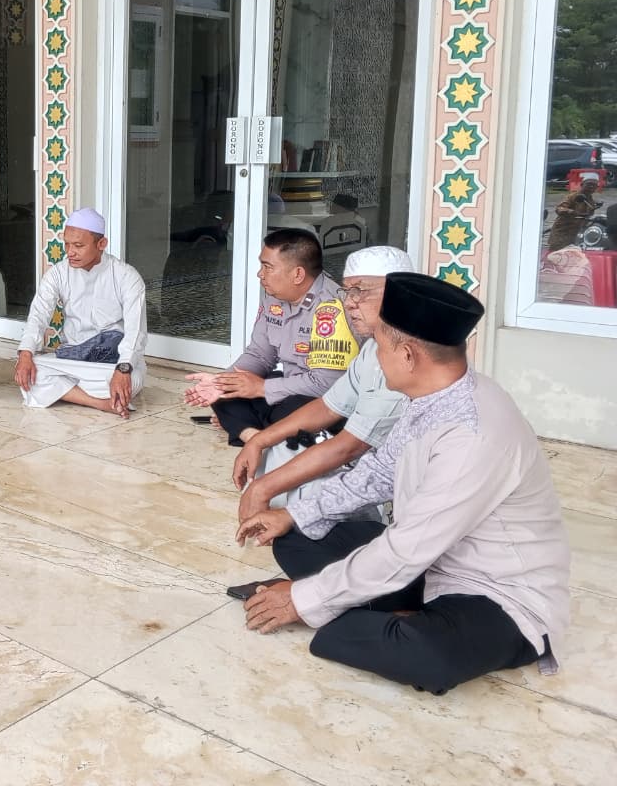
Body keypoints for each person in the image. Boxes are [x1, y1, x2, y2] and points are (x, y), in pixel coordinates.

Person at [236, 273, 570, 695]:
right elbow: (377, 473)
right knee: (295, 537)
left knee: (404, 651)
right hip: (432, 564)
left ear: (408, 355)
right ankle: (376, 606)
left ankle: (376, 613)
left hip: (496, 592)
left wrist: (301, 600)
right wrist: (293, 513)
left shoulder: (472, 435)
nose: (374, 357)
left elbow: (406, 549)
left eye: (379, 345)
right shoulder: (434, 397)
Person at [231, 246, 414, 523]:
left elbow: (349, 446)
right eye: (348, 291)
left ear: (398, 294)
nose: (349, 303)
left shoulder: (408, 359)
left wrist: (264, 488)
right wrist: (259, 440)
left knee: (294, 522)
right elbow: (328, 406)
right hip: (362, 464)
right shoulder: (374, 347)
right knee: (276, 458)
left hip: (397, 492)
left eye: (360, 291)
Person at [188, 228, 356, 447]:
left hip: (325, 398)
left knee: (295, 409)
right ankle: (255, 436)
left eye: (267, 267)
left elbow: (325, 384)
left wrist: (261, 388)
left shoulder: (332, 307)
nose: (260, 274)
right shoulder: (274, 297)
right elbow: (259, 355)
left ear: (297, 274)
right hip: (288, 385)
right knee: (226, 391)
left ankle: (248, 428)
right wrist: (223, 382)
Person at [14, 208, 147, 418]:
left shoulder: (126, 277)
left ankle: (68, 391)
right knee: (31, 371)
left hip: (113, 362)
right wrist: (26, 354)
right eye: (66, 244)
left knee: (129, 380)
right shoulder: (57, 274)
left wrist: (123, 369)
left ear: (101, 244)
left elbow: (135, 331)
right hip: (73, 358)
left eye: (78, 246)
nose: (70, 252)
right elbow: (38, 315)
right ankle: (100, 403)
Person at [546, 172, 601, 251]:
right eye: (589, 184)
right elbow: (559, 209)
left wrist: (594, 209)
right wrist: (572, 212)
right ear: (582, 184)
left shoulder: (591, 199)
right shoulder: (572, 196)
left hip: (576, 233)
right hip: (563, 230)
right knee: (555, 253)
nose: (591, 187)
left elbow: (588, 215)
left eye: (594, 185)